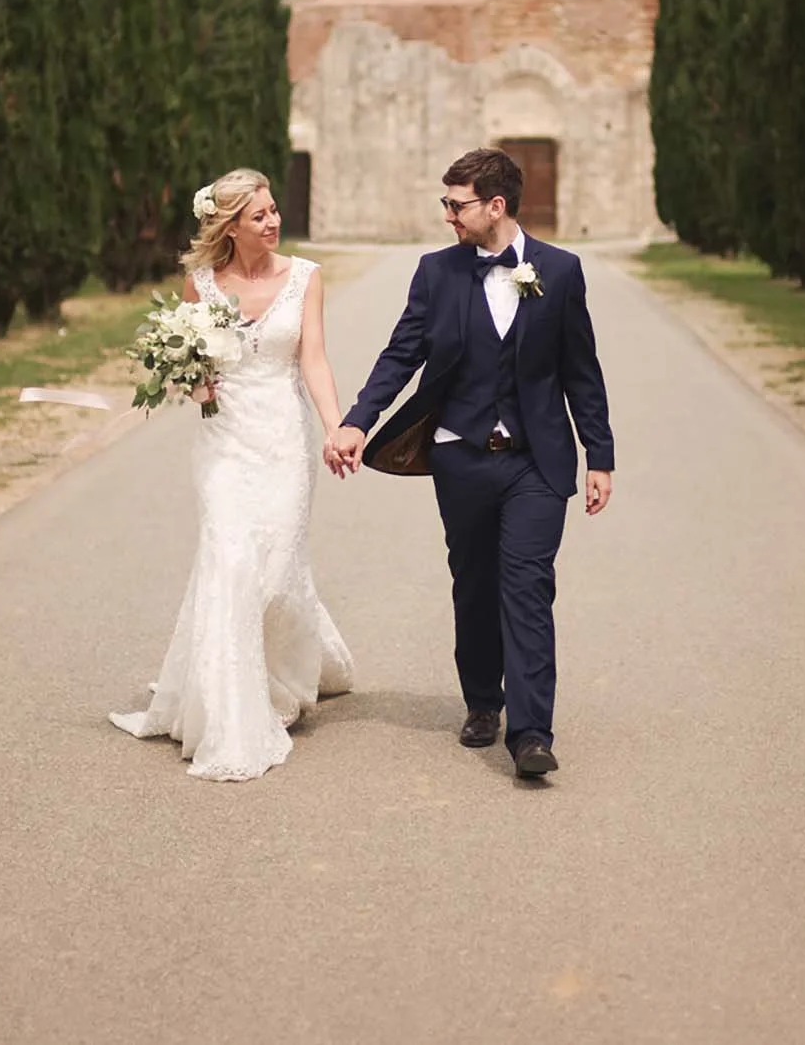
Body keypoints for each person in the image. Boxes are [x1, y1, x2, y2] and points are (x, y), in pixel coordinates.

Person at [324, 147, 615, 779]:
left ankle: (532, 733)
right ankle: (484, 702)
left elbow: (581, 372)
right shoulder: (437, 273)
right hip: (461, 460)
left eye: (457, 205)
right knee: (475, 585)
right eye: (446, 204)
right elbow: (400, 355)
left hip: (536, 462)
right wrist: (356, 419)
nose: (448, 216)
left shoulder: (560, 272)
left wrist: (600, 454)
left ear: (496, 206)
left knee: (529, 588)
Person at [110, 169, 355, 781]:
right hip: (224, 444)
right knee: (231, 565)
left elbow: (314, 360)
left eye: (274, 210)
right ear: (230, 227)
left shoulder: (306, 279)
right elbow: (188, 370)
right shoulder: (199, 286)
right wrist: (195, 384)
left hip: (283, 442)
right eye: (259, 216)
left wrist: (335, 427)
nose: (272, 222)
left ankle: (287, 672)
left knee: (275, 575)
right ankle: (229, 712)